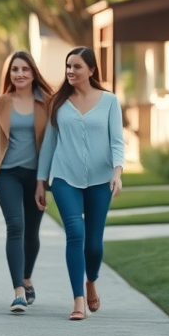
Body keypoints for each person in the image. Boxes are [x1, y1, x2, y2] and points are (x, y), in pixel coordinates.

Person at [35, 46, 124, 321]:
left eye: (76, 67)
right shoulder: (58, 103)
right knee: (75, 234)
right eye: (68, 66)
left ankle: (91, 280)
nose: (70, 71)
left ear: (91, 70)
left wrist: (117, 173)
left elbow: (117, 141)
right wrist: (41, 181)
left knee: (94, 245)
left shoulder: (109, 101)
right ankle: (78, 300)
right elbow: (48, 145)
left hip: (100, 179)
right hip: (65, 177)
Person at [0, 51, 54, 313]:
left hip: (37, 176)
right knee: (16, 226)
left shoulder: (47, 102)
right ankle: (19, 292)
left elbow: (53, 142)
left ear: (34, 73)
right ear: (9, 74)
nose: (20, 74)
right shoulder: (1, 103)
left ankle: (26, 277)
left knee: (32, 233)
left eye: (25, 69)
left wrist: (43, 180)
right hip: (7, 174)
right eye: (15, 69)